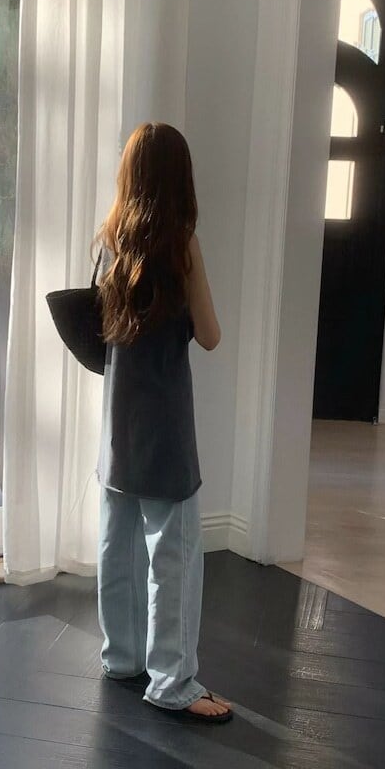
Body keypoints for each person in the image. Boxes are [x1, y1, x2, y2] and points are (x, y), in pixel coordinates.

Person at [93, 122, 232, 722]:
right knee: (172, 556)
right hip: (166, 428)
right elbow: (211, 335)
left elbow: (98, 331)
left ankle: (122, 657)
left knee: (117, 546)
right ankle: (173, 683)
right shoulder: (182, 247)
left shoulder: (109, 242)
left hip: (118, 426)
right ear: (181, 179)